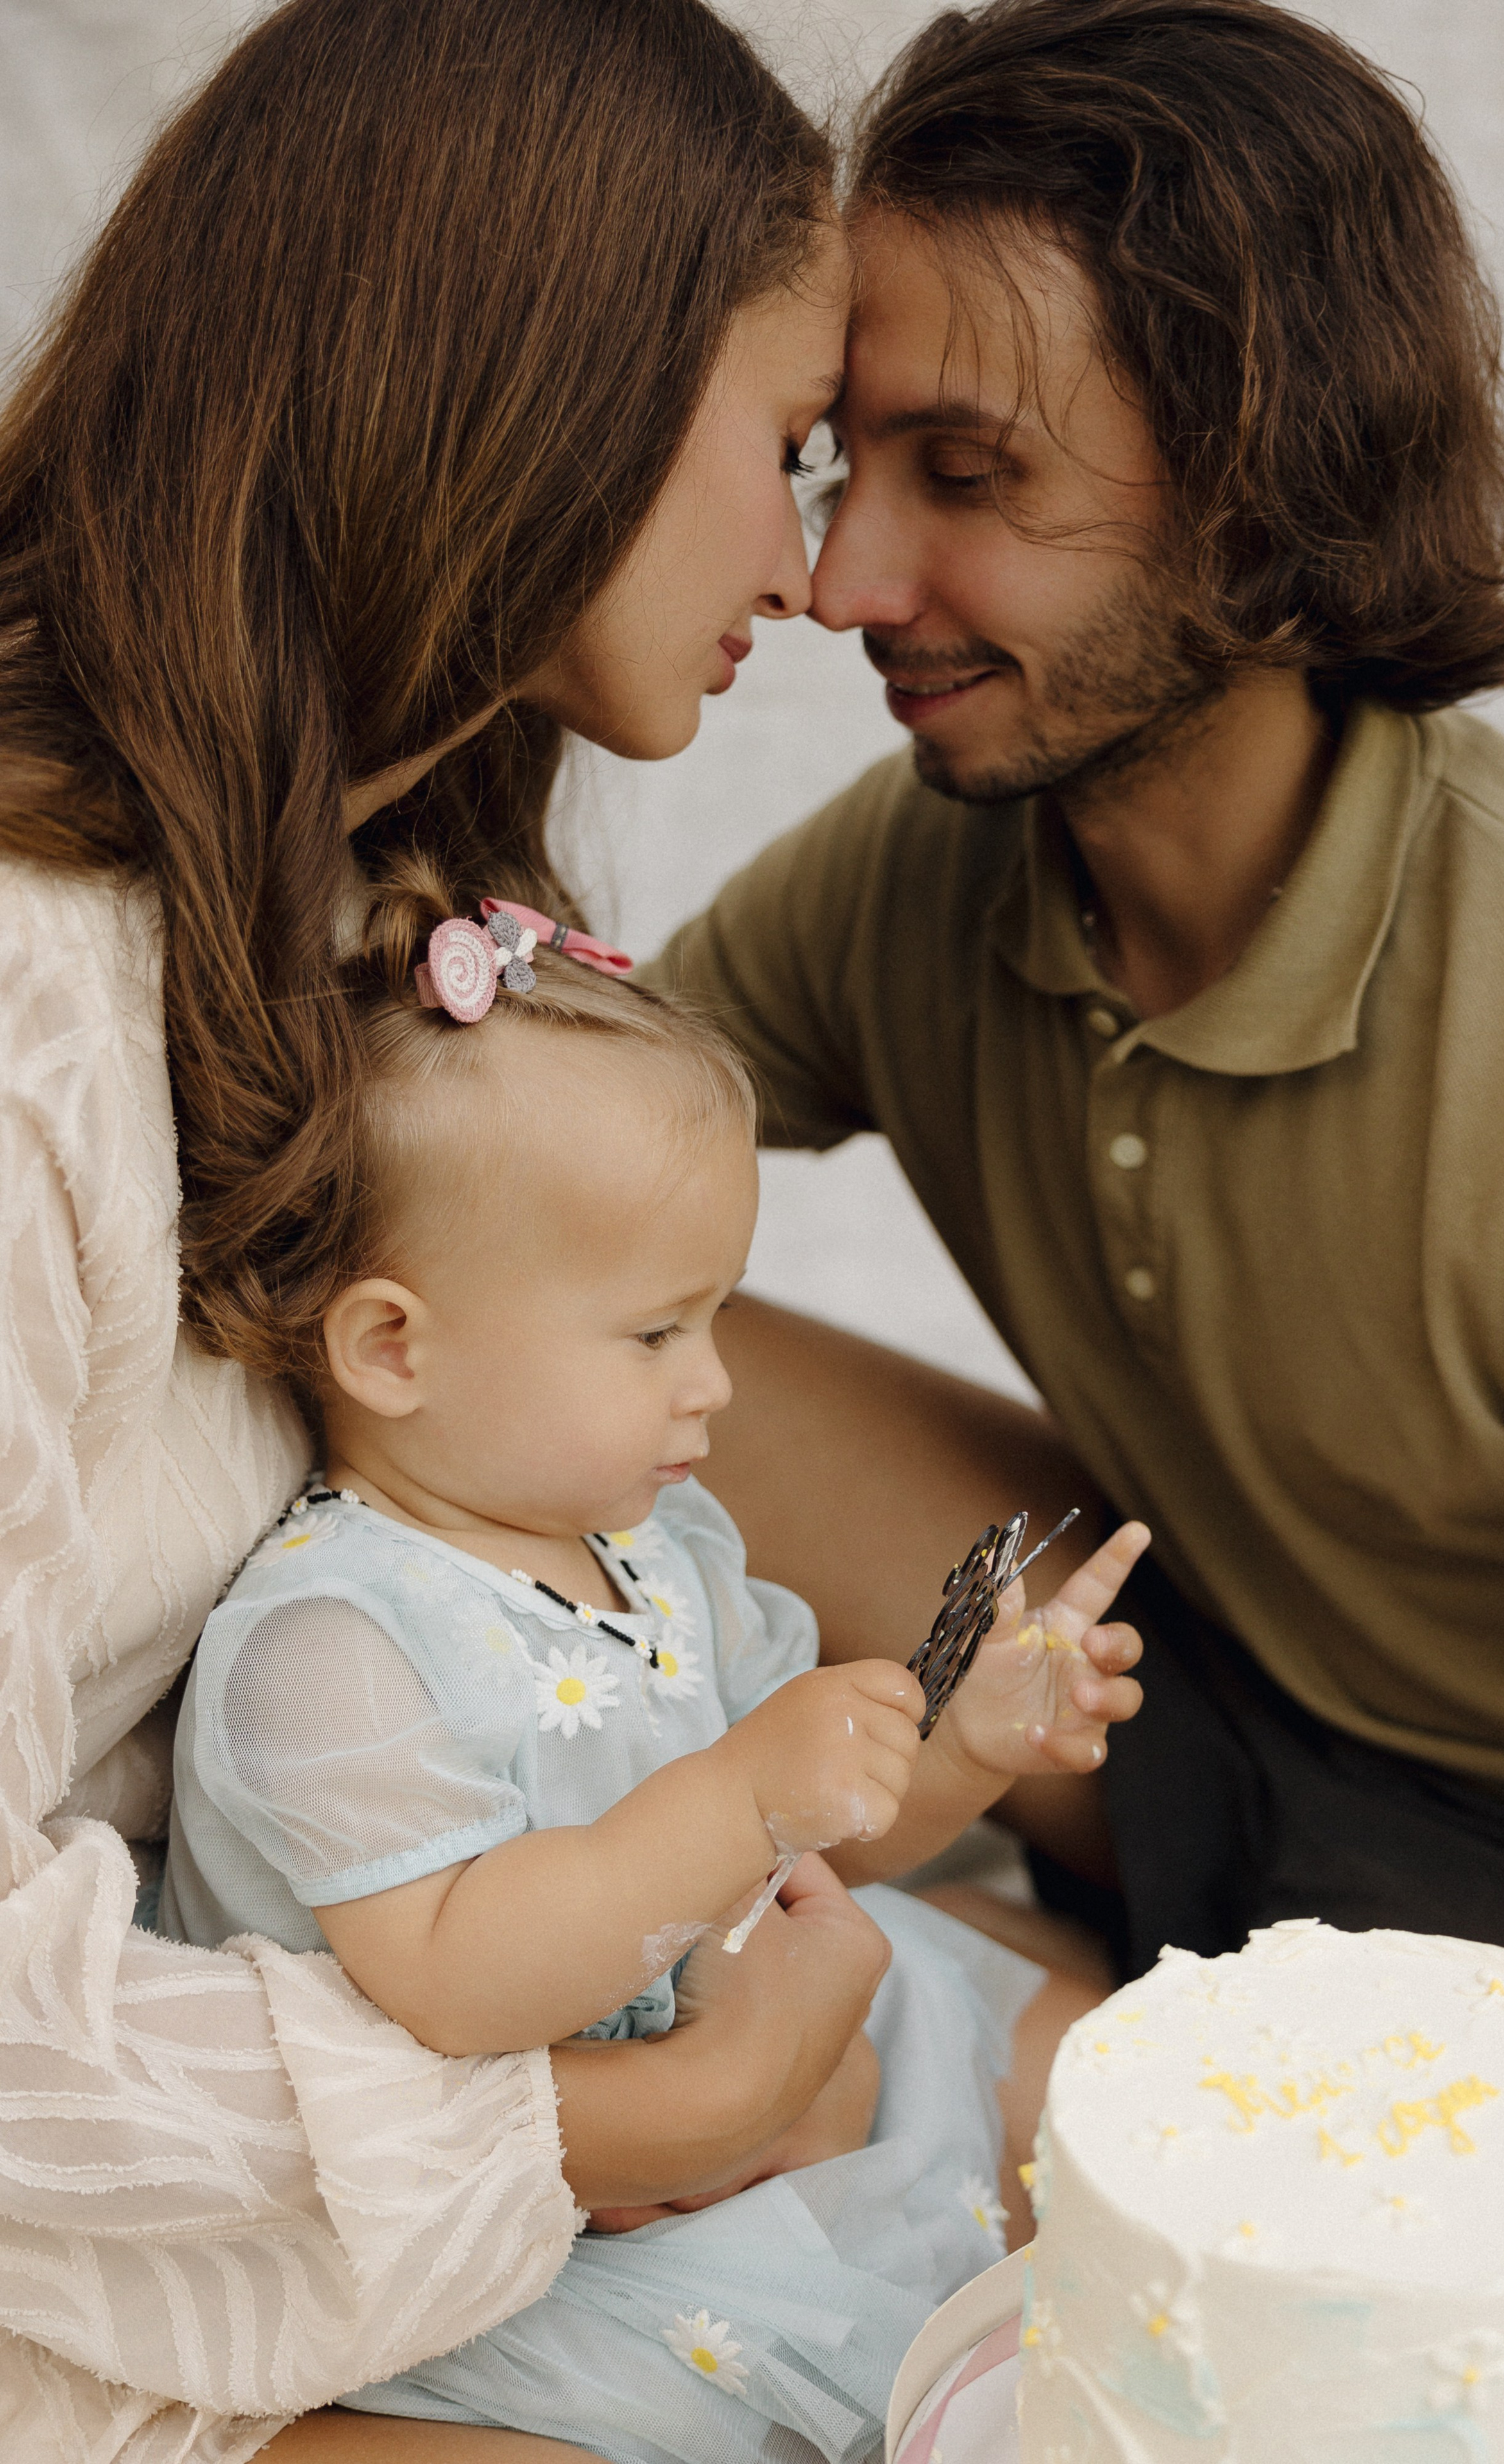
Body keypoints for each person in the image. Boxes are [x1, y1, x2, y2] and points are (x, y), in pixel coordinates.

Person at [0, 1, 898, 2455]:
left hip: (366, 1967)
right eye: (787, 449)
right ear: (554, 382)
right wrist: (642, 2121)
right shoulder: (29, 1021)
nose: (815, 572)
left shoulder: (365, 900)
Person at [649, 0, 1504, 2008]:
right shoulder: (921, 869)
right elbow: (503, 1136)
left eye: (967, 475)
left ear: (1263, 492)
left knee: (822, 2090)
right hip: (1191, 1692)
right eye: (844, 467)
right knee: (578, 1297)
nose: (844, 583)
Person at [157, 860, 1146, 2464]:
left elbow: (812, 1857)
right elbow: (457, 1978)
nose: (714, 1386)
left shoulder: (651, 1544)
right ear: (394, 1347)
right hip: (566, 2221)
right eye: (653, 1334)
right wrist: (740, 1795)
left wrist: (955, 1750)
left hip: (759, 2026)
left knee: (1096, 2076)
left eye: (715, 1320)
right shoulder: (328, 1641)